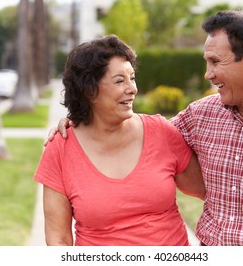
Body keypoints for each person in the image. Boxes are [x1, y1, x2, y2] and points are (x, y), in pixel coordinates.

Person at [48, 10, 243, 246]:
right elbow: (142, 138)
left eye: (216, 62)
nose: (208, 74)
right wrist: (83, 120)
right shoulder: (201, 116)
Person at [35, 35, 205, 246]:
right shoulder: (61, 148)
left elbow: (209, 191)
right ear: (89, 90)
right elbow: (58, 239)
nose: (132, 88)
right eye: (119, 81)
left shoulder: (161, 132)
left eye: (132, 78)